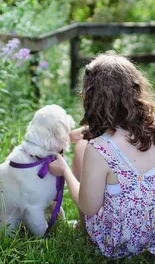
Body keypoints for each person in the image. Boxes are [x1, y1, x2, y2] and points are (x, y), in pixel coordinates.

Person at [49, 54, 155, 259]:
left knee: (81, 147)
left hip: (122, 241)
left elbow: (89, 207)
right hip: (152, 232)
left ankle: (82, 227)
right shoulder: (151, 126)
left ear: (92, 96)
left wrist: (65, 171)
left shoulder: (99, 149)